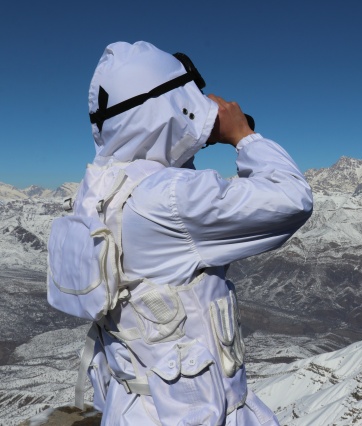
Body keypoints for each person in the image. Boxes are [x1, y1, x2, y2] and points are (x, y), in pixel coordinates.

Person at [49, 41, 313, 425]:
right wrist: (243, 136)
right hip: (196, 413)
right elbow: (292, 199)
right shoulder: (170, 198)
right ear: (173, 108)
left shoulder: (100, 191)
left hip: (130, 406)